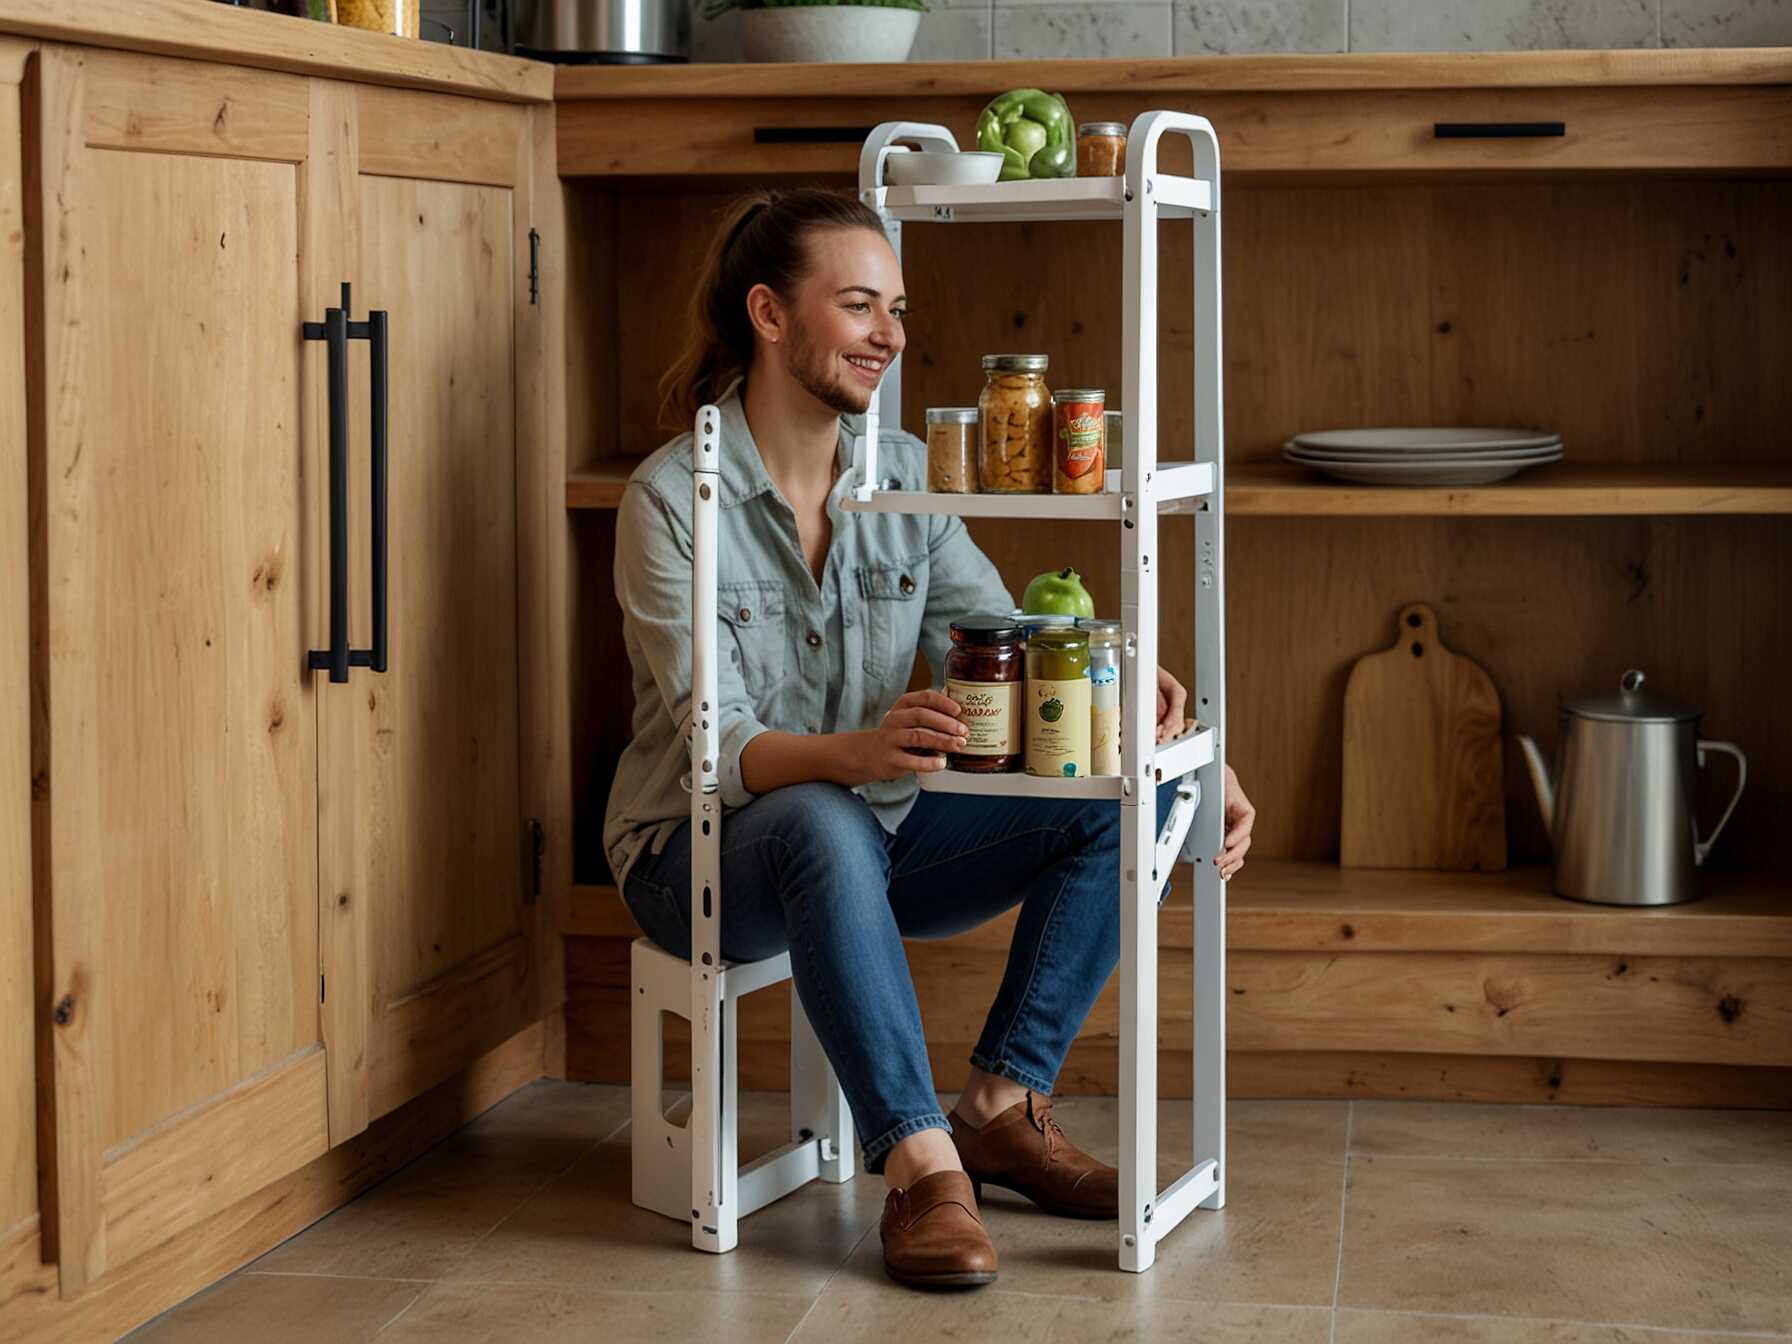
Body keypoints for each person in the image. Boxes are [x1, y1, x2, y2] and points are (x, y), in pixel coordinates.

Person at [604, 187, 1256, 1290]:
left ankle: (1002, 1106)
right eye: (858, 306)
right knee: (815, 815)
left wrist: (1170, 730)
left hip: (877, 830)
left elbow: (1006, 624)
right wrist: (857, 752)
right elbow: (717, 749)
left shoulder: (900, 472)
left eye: (895, 308)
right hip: (701, 855)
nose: (891, 336)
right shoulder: (672, 500)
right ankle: (920, 1167)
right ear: (769, 314)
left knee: (1121, 798)